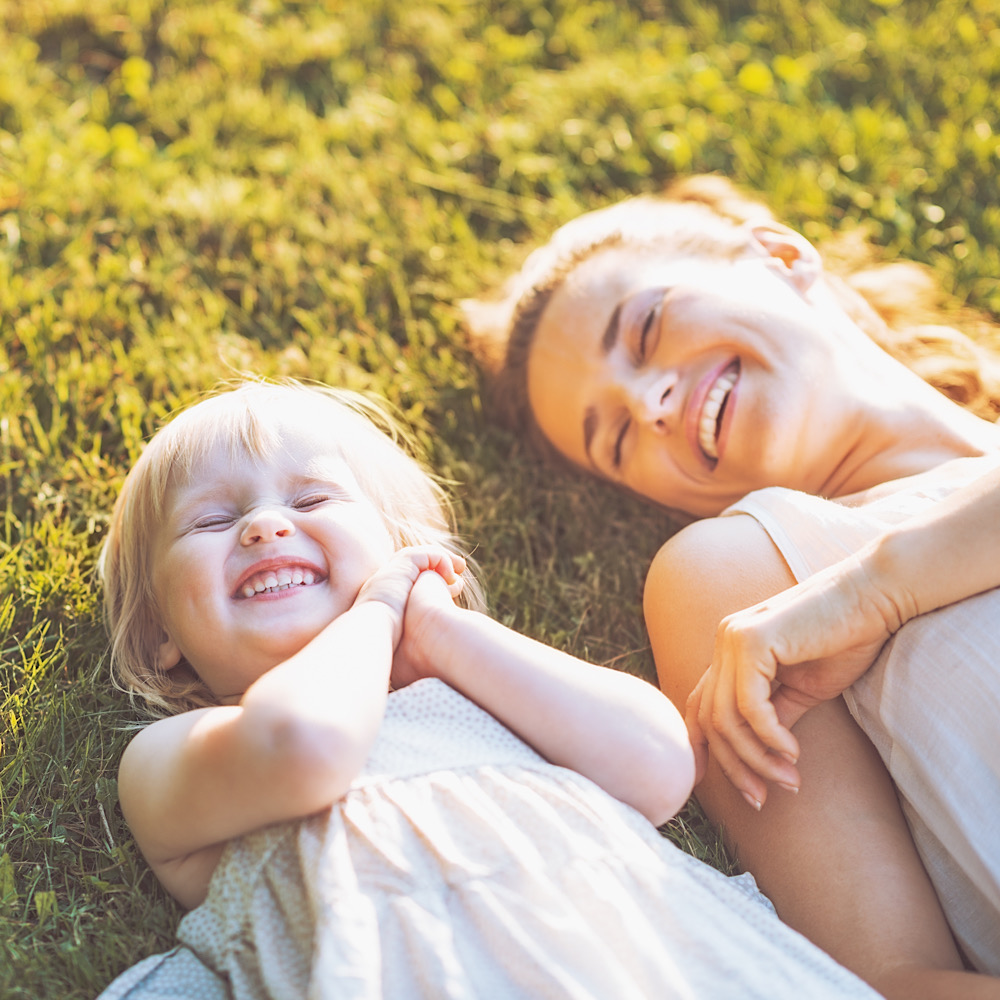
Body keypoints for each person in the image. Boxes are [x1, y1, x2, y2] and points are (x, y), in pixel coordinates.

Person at [94, 379, 880, 1000]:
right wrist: (373, 615)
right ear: (163, 634)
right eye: (210, 523)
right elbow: (307, 746)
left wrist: (439, 632)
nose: (264, 528)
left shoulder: (487, 690)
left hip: (650, 961)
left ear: (404, 554)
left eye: (310, 501)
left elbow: (660, 764)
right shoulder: (178, 754)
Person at [468, 175, 1000, 996]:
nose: (648, 401)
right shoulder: (746, 580)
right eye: (614, 439)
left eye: (645, 328)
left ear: (782, 256)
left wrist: (882, 590)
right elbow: (892, 979)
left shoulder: (843, 591)